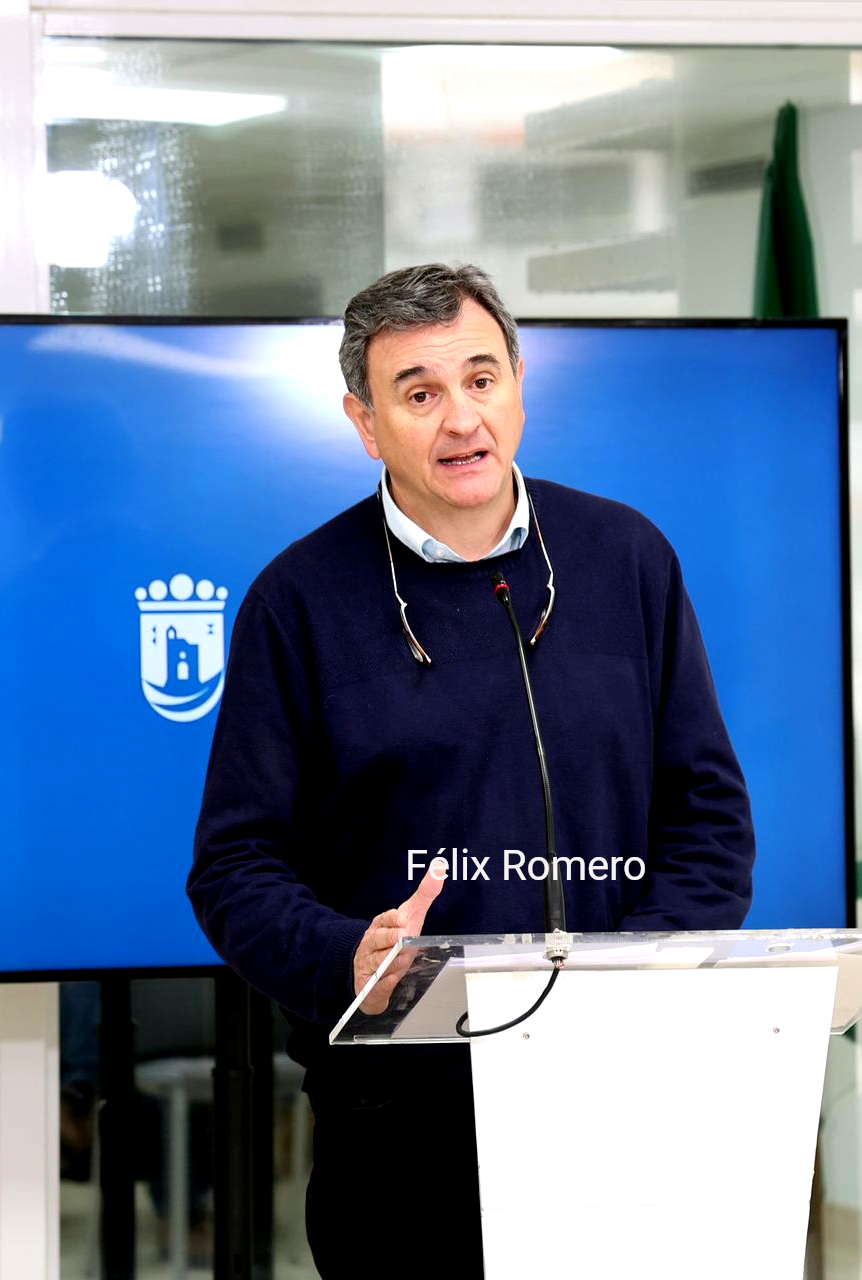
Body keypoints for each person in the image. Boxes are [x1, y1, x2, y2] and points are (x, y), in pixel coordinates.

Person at [187, 262, 755, 1276]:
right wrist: (345, 955)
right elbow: (235, 864)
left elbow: (707, 815)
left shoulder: (627, 558)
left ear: (520, 387)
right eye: (419, 393)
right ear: (366, 423)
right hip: (402, 1125)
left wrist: (634, 974)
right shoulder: (299, 600)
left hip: (617, 1096)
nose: (461, 418)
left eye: (482, 379)